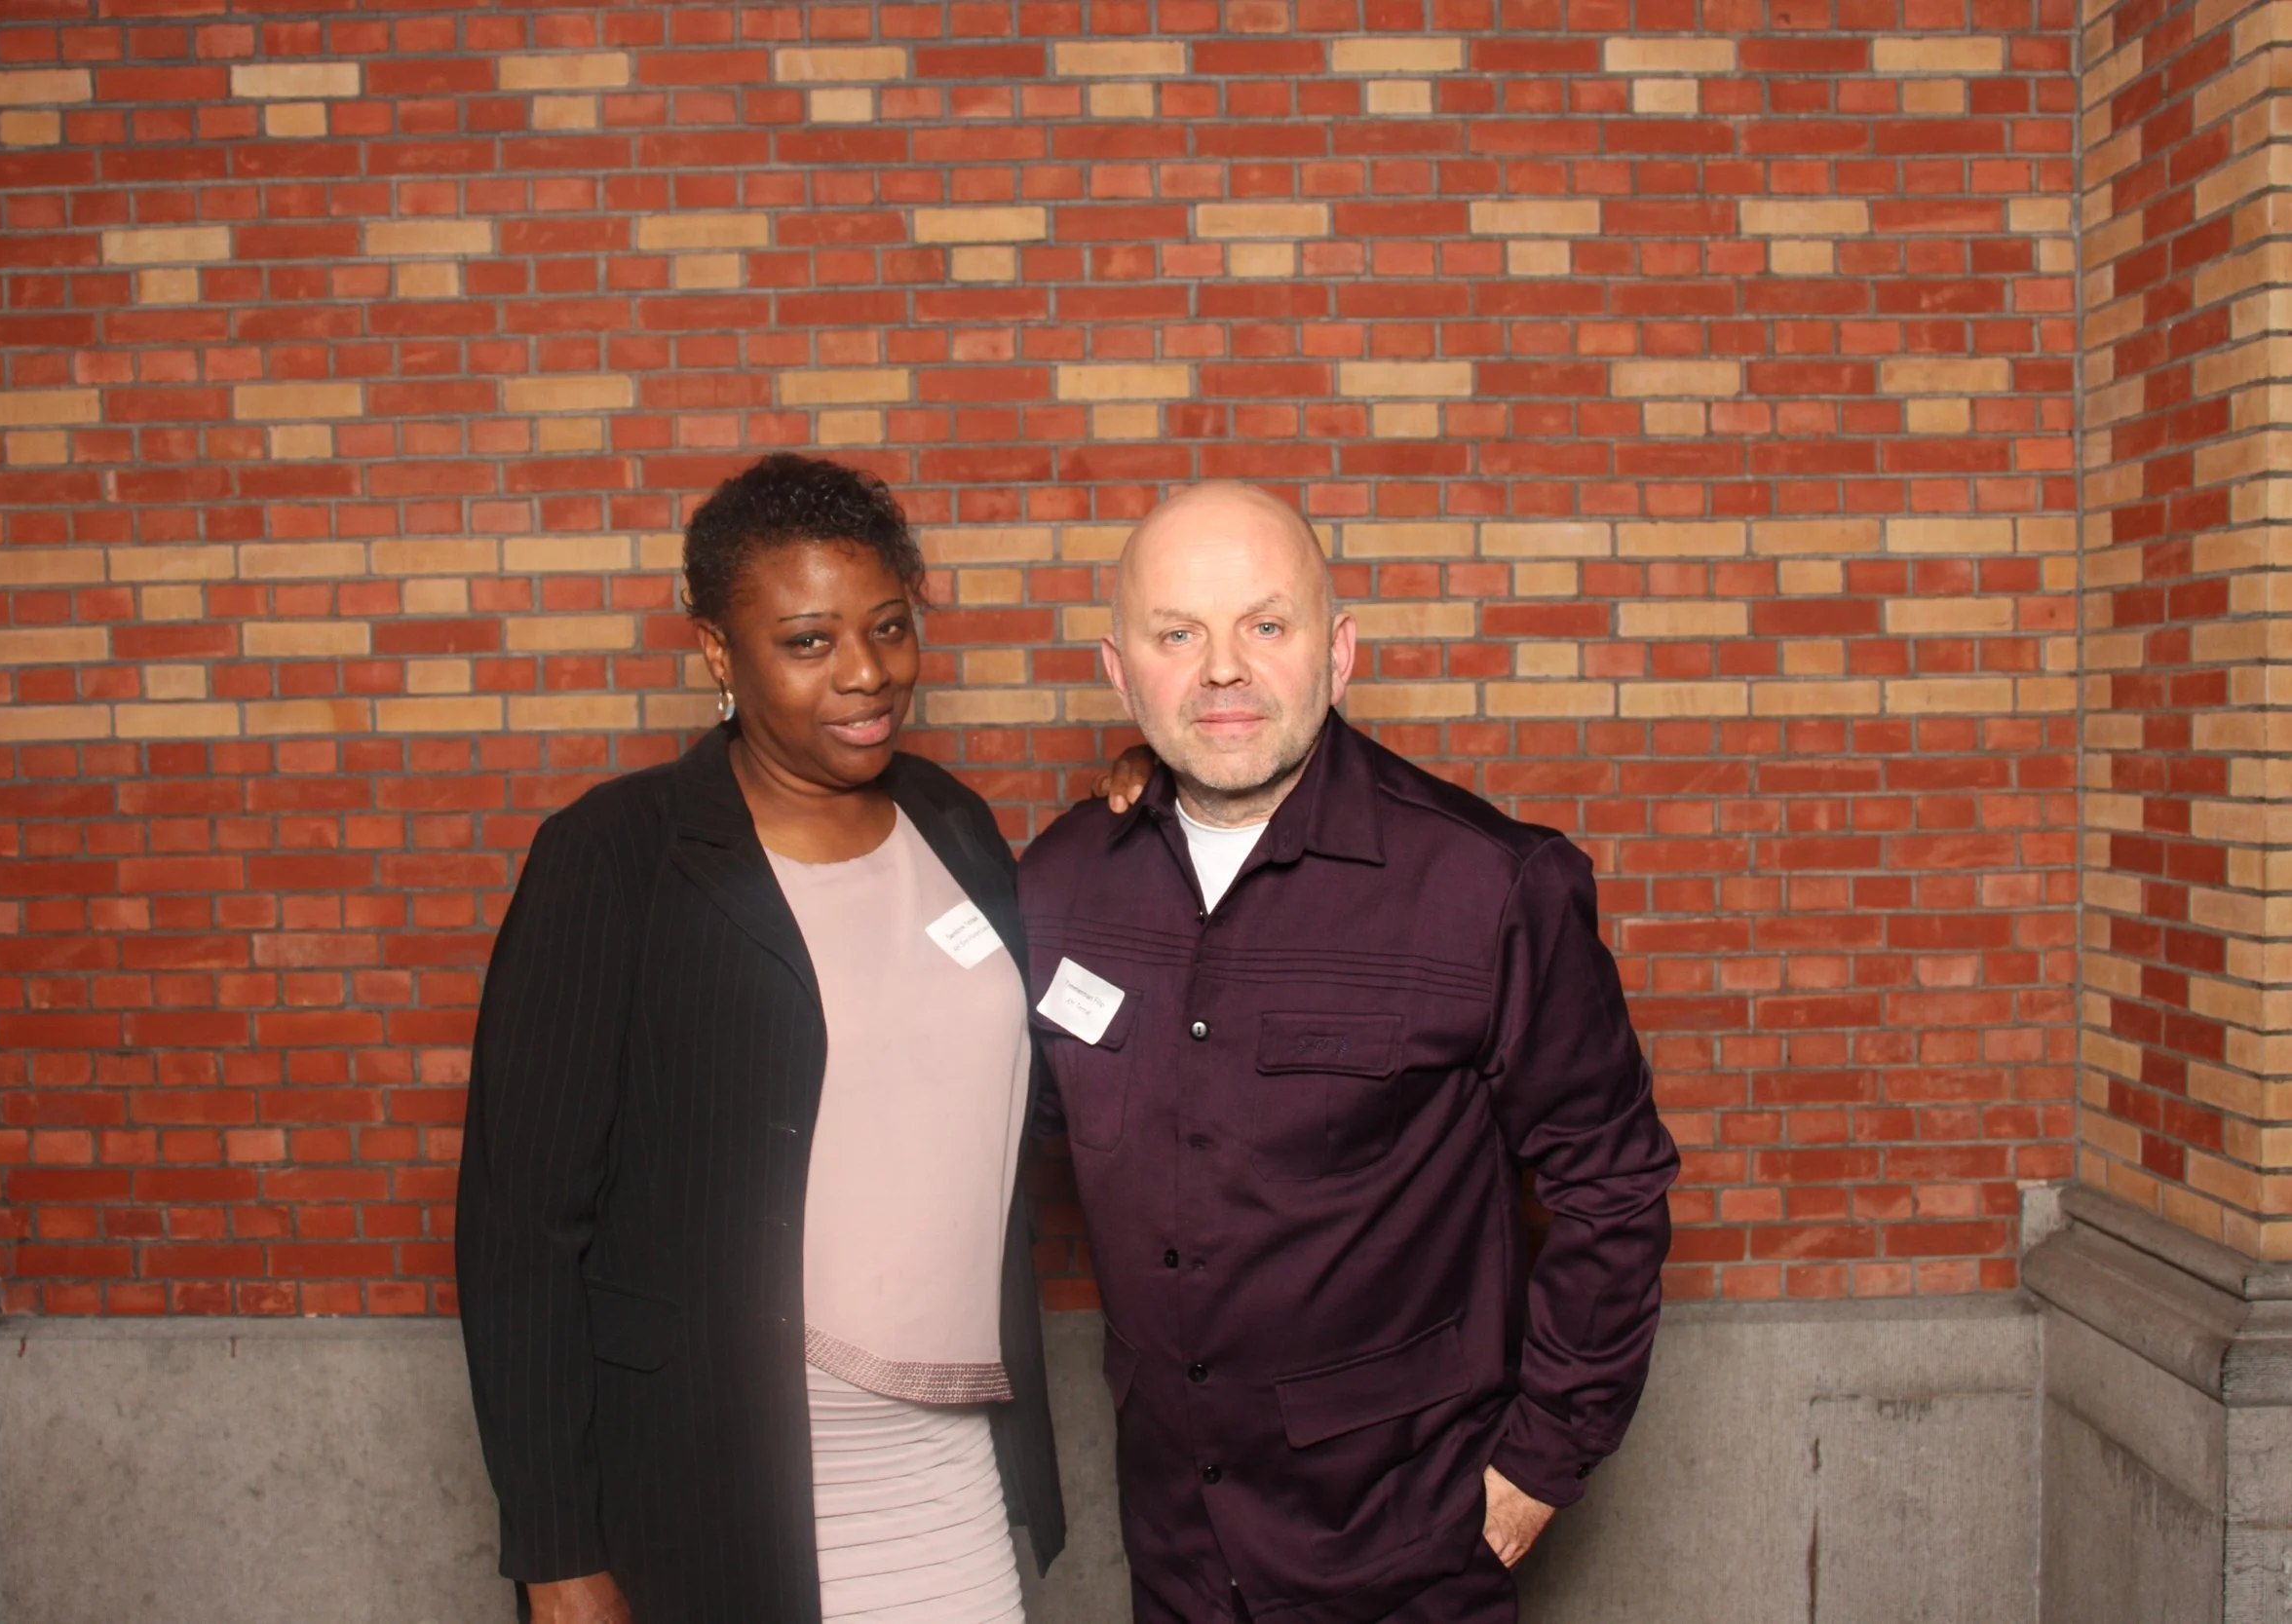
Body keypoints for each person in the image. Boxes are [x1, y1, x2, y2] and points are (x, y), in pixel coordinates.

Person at [1016, 481, 1680, 1624]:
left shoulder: (1486, 886)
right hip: (1175, 1549)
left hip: (1406, 1554)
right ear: (1121, 673)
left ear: (1337, 653)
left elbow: (1614, 1186)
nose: (1223, 669)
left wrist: (1541, 1460)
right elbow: (993, 1125)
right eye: (1177, 635)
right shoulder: (1064, 881)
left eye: (1265, 625)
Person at [457, 454, 1083, 1624]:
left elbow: (1025, 1077)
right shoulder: (618, 857)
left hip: (945, 1460)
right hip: (711, 1480)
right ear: (716, 651)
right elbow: (519, 1231)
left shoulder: (952, 823)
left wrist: (1157, 801)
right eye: (807, 641)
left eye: (888, 626)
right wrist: (556, 1551)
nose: (866, 672)